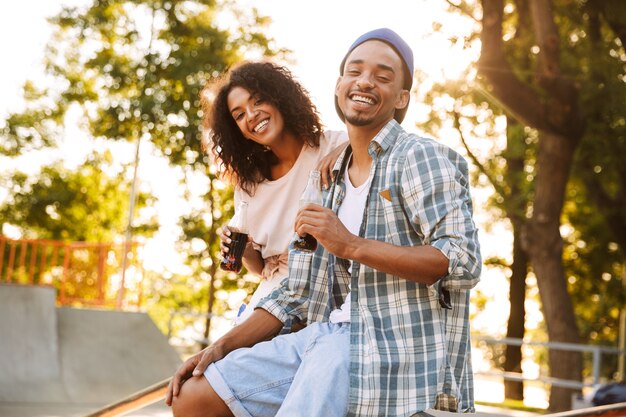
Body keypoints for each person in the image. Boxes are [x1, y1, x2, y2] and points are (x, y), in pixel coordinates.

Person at [167, 28, 482, 416]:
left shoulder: (421, 158)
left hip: (388, 341)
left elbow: (463, 262)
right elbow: (298, 292)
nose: (365, 81)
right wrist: (220, 347)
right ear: (338, 86)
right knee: (194, 398)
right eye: (355, 71)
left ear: (402, 98)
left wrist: (350, 245)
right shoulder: (326, 180)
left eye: (383, 76)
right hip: (327, 332)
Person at [202, 61, 347, 324]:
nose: (251, 115)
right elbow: (260, 268)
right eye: (239, 115)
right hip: (275, 297)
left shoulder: (334, 145)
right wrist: (245, 250)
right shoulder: (249, 187)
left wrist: (350, 150)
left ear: (279, 98)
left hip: (331, 286)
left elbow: (381, 142)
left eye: (257, 101)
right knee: (219, 362)